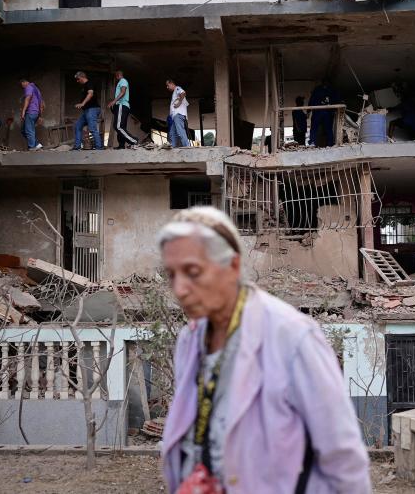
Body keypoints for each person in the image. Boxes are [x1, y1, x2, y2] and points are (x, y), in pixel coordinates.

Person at [159, 207, 371, 494]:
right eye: (171, 275)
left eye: (193, 272)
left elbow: (342, 456)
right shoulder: (189, 339)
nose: (179, 289)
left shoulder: (292, 336)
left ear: (232, 267)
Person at [73, 71, 103, 150]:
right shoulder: (84, 86)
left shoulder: (89, 83)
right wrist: (82, 104)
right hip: (87, 110)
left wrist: (82, 103)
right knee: (78, 126)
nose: (77, 81)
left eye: (78, 79)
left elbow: (91, 94)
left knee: (92, 129)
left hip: (92, 109)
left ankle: (99, 148)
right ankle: (77, 147)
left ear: (82, 77)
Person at [108, 69, 137, 149]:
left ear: (117, 75)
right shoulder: (121, 82)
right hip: (121, 105)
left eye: (115, 76)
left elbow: (123, 92)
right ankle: (121, 145)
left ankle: (134, 141)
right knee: (121, 127)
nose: (115, 78)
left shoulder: (123, 81)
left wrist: (114, 101)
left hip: (122, 104)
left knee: (118, 126)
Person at [308, 81, 342, 148]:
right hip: (327, 112)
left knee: (315, 128)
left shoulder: (317, 89)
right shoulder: (332, 89)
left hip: (318, 111)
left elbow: (312, 99)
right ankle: (330, 143)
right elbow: (337, 100)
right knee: (328, 128)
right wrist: (335, 109)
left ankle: (312, 142)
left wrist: (308, 111)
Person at [19, 78, 44, 150]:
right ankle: (37, 144)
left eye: (22, 85)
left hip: (31, 112)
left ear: (24, 82)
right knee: (23, 130)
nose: (22, 87)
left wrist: (23, 111)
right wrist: (40, 115)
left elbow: (28, 98)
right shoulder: (36, 89)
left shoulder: (29, 87)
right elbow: (41, 103)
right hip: (36, 112)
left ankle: (32, 147)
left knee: (29, 130)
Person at [166, 78, 191, 148]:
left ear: (171, 83)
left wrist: (179, 102)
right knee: (172, 133)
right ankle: (173, 146)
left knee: (180, 131)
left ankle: (187, 147)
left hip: (178, 115)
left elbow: (183, 93)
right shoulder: (174, 92)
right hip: (175, 116)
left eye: (168, 85)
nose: (167, 87)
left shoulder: (177, 88)